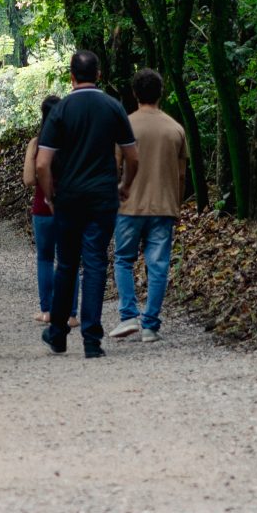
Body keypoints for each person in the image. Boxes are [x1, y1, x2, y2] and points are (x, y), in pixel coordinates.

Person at [33, 48, 138, 359]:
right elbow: (132, 155)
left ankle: (58, 334)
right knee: (95, 264)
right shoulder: (113, 106)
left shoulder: (61, 110)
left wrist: (50, 193)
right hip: (102, 196)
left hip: (69, 198)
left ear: (71, 76)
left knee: (66, 263)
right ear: (99, 75)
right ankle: (92, 339)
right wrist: (125, 185)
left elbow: (42, 164)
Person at [108, 69, 186, 342]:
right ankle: (151, 325)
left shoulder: (125, 126)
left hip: (129, 206)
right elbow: (181, 175)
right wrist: (175, 206)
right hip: (163, 206)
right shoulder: (176, 129)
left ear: (135, 94)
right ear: (161, 93)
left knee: (123, 260)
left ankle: (128, 315)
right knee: (159, 265)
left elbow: (113, 167)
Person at [29, 94, 63, 326]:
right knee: (68, 259)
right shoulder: (72, 139)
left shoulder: (37, 142)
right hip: (68, 206)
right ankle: (70, 314)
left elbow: (28, 179)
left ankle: (47, 310)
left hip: (42, 207)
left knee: (45, 258)